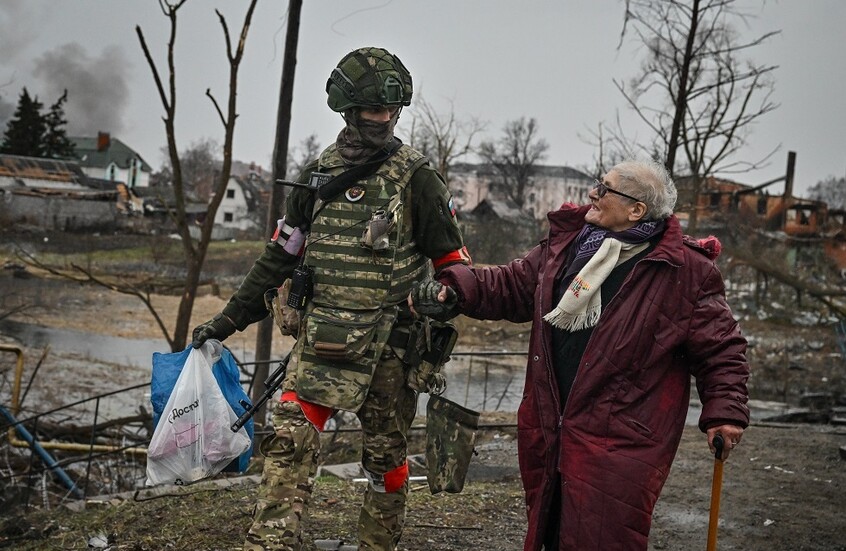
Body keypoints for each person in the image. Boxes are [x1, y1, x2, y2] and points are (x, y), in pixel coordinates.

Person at [192, 46, 471, 551]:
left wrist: (443, 294)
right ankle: (270, 542)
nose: (382, 119)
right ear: (348, 110)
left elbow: (454, 264)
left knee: (386, 460)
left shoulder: (419, 180)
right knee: (288, 442)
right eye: (371, 110)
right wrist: (228, 320)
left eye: (390, 110)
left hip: (393, 347)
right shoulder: (318, 176)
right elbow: (280, 255)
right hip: (322, 342)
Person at [409, 159, 750, 551]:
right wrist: (454, 289)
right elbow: (511, 285)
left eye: (605, 189)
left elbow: (722, 348)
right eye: (597, 184)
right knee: (549, 532)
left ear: (637, 210)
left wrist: (725, 412)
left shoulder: (685, 271)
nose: (593, 193)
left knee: (605, 537)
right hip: (549, 426)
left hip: (620, 440)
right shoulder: (569, 247)